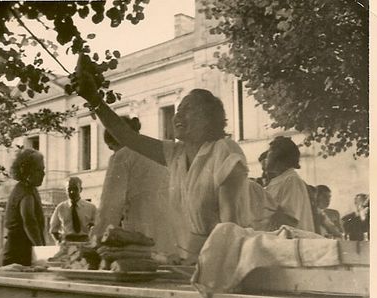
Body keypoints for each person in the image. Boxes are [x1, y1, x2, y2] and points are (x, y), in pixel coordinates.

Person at [73, 56, 272, 262]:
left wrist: (207, 264)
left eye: (187, 110)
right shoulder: (176, 154)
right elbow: (127, 137)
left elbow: (230, 227)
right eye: (178, 110)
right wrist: (93, 98)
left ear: (208, 118)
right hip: (188, 259)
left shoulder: (225, 151)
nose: (177, 116)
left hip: (227, 258)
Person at [95, 116, 179, 256]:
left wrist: (97, 240)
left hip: (142, 234)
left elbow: (110, 206)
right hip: (175, 235)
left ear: (114, 142)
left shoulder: (122, 155)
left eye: (111, 148)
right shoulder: (160, 152)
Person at [3, 149, 47, 266]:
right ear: (27, 171)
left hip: (23, 252)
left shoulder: (30, 189)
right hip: (18, 254)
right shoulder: (25, 191)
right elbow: (29, 222)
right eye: (39, 170)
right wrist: (42, 253)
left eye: (43, 169)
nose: (43, 174)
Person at [263, 137, 316, 233]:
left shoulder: (292, 180)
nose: (265, 159)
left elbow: (289, 219)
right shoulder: (278, 181)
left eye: (268, 153)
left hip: (293, 242)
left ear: (277, 156)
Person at [49, 177, 96, 243]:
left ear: (80, 189)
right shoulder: (60, 208)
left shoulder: (91, 207)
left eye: (75, 189)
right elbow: (53, 230)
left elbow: (97, 227)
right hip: (67, 243)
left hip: (85, 243)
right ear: (65, 190)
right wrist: (60, 242)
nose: (72, 192)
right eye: (69, 189)